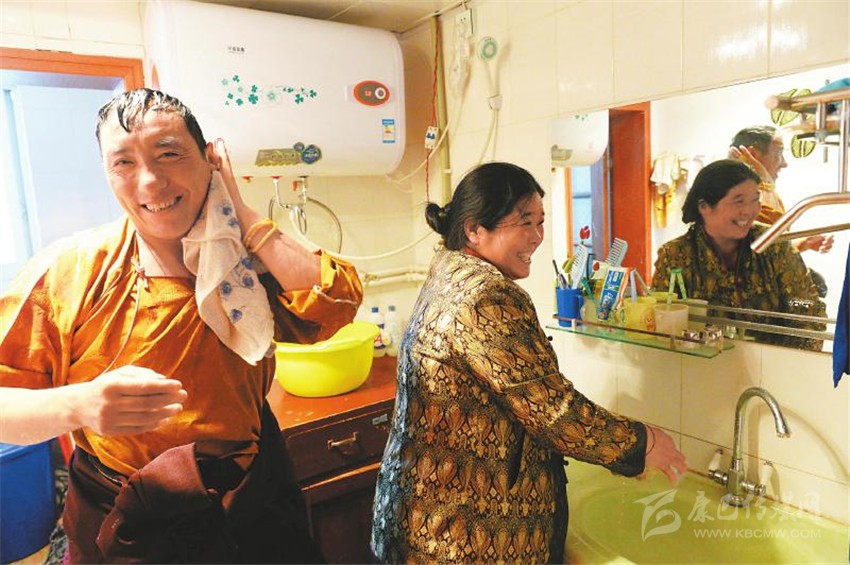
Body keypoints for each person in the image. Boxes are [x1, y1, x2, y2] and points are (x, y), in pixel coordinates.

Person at [0, 88, 363, 563]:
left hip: (253, 502)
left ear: (210, 159)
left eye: (169, 154)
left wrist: (242, 213)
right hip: (130, 517)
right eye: (124, 163)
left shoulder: (242, 261)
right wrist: (78, 405)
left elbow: (337, 303)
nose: (150, 182)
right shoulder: (71, 272)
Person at [370, 162, 687, 563]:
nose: (537, 236)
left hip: (421, 520)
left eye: (541, 222)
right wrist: (642, 445)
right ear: (474, 229)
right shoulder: (486, 296)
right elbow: (552, 411)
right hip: (460, 537)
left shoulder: (449, 273)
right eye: (524, 223)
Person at [652, 159, 826, 351]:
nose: (749, 211)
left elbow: (807, 312)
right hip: (699, 363)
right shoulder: (675, 256)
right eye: (739, 201)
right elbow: (659, 324)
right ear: (704, 207)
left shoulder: (774, 244)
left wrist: (793, 359)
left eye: (755, 200)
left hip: (772, 362)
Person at [729, 125, 834, 256]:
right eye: (779, 153)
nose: (784, 163)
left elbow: (769, 247)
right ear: (753, 154)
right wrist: (765, 183)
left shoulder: (765, 193)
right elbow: (754, 249)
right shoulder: (729, 197)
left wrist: (802, 243)